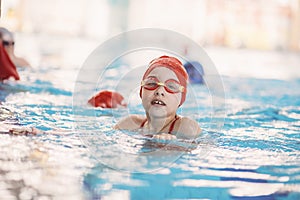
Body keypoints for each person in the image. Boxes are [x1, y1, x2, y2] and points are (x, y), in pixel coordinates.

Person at [114, 55, 201, 140]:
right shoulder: (129, 124)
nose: (159, 91)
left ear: (181, 99)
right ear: (141, 92)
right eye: (151, 83)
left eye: (171, 86)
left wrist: (174, 146)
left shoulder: (187, 127)